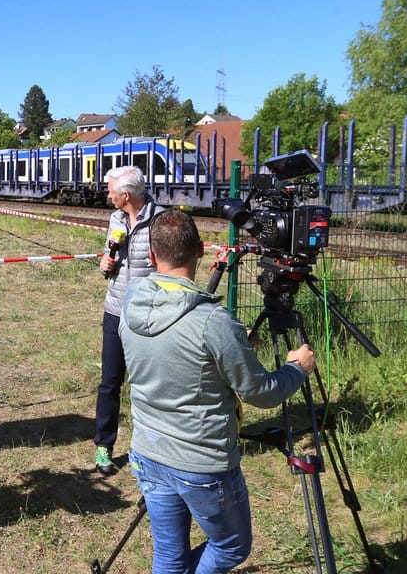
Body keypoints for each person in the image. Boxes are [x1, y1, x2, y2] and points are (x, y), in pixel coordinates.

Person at [120, 209, 316, 574]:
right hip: (202, 464)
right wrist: (297, 368)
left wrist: (233, 347)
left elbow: (178, 354)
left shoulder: (132, 299)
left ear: (150, 256)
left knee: (169, 555)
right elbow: (261, 393)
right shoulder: (212, 322)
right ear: (200, 252)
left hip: (148, 451)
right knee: (230, 548)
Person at [93, 166, 162, 475]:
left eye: (111, 191)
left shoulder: (160, 220)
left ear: (126, 195)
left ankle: (148, 450)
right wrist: (105, 263)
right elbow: (109, 266)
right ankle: (104, 447)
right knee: (110, 382)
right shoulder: (116, 219)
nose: (107, 195)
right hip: (116, 310)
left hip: (149, 313)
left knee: (148, 385)